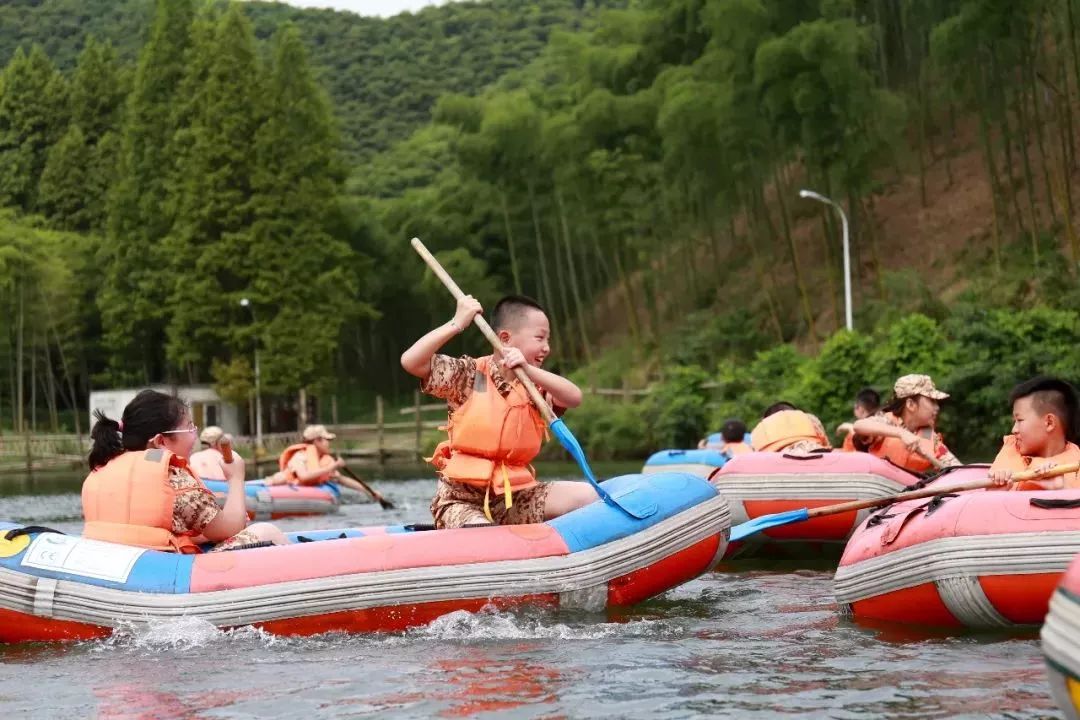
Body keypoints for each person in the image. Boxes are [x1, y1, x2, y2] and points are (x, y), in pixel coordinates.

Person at [400, 293, 597, 529]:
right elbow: (411, 362)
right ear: (505, 338)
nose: (546, 348)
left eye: (548, 340)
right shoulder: (469, 375)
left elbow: (574, 397)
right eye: (539, 338)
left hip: (515, 498)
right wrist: (456, 323)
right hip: (461, 502)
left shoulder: (537, 387)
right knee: (482, 530)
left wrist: (527, 371)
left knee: (588, 497)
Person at [83, 389, 286, 553]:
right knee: (266, 531)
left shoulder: (104, 466)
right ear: (161, 441)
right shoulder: (173, 477)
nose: (194, 435)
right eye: (189, 427)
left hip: (118, 565)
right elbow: (231, 527)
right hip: (162, 571)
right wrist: (236, 476)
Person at [852, 374, 960, 473]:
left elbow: (957, 470)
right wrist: (901, 433)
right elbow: (859, 426)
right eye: (932, 401)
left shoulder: (928, 435)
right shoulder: (887, 422)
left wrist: (930, 457)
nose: (937, 407)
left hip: (909, 490)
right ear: (911, 404)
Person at [989, 376, 1080, 490]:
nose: (1014, 430)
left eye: (1020, 420)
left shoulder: (1076, 463)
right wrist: (995, 492)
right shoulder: (1011, 447)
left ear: (1049, 423)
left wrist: (1060, 489)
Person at [271, 424, 374, 496]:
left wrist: (369, 492)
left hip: (308, 494)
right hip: (286, 488)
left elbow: (341, 479)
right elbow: (304, 477)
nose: (329, 443)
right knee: (279, 478)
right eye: (327, 440)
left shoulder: (323, 460)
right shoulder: (299, 456)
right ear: (317, 441)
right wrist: (333, 466)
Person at [749, 401, 832, 455]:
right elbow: (827, 445)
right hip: (812, 447)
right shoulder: (809, 419)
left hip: (776, 454)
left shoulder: (760, 428)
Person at [837, 387, 881, 451]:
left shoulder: (853, 434)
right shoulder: (884, 425)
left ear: (860, 408)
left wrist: (852, 430)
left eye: (855, 407)